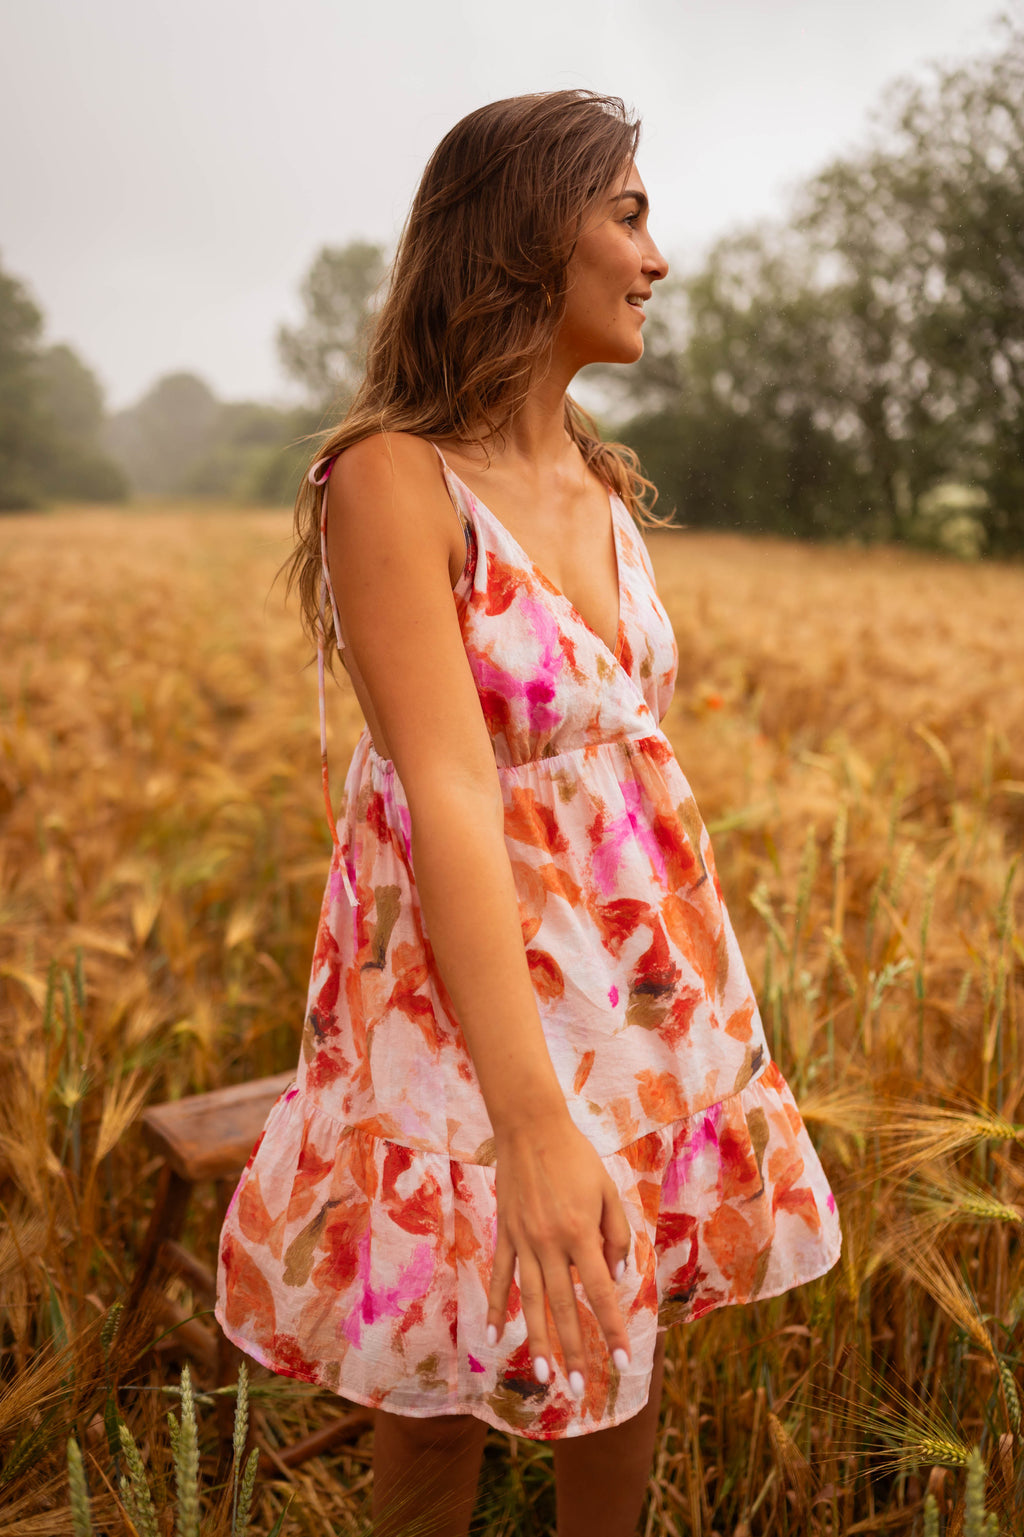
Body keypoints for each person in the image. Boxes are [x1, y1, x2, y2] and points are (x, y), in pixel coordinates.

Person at [216, 89, 841, 1537]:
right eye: (627, 215)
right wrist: (530, 1120)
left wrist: (644, 1059)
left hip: (637, 1001)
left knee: (617, 1367)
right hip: (463, 1016)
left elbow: (624, 774)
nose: (656, 257)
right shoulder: (393, 480)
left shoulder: (605, 486)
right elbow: (447, 787)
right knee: (439, 1396)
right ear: (519, 236)